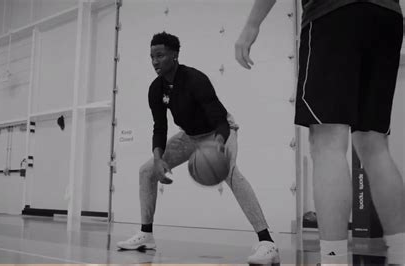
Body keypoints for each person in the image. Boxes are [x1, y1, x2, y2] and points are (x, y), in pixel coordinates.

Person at [235, 0, 405, 264]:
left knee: (327, 142)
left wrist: (252, 24)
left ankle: (333, 259)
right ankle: (402, 253)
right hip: (387, 15)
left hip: (334, 13)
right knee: (374, 144)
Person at [116, 32, 280, 264]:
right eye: (151, 56)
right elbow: (159, 127)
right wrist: (158, 158)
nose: (154, 61)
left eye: (160, 55)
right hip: (190, 136)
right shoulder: (156, 89)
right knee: (146, 171)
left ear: (175, 55)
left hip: (220, 131)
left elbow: (221, 121)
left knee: (231, 174)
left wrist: (217, 147)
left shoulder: (195, 80)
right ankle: (146, 234)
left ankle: (267, 243)